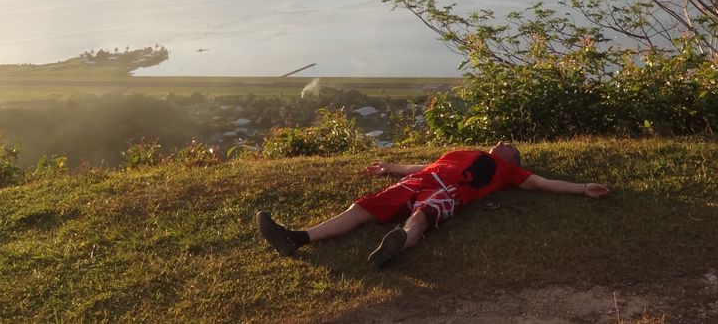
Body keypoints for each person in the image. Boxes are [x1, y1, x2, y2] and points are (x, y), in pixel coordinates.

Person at [256, 142, 610, 268]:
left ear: (513, 158)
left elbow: (541, 183)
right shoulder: (462, 150)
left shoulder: (510, 170)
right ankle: (298, 238)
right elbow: (424, 167)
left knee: (422, 216)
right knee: (362, 208)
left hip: (451, 193)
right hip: (423, 179)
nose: (504, 143)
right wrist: (389, 168)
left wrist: (582, 188)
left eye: (510, 146)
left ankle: (395, 247)